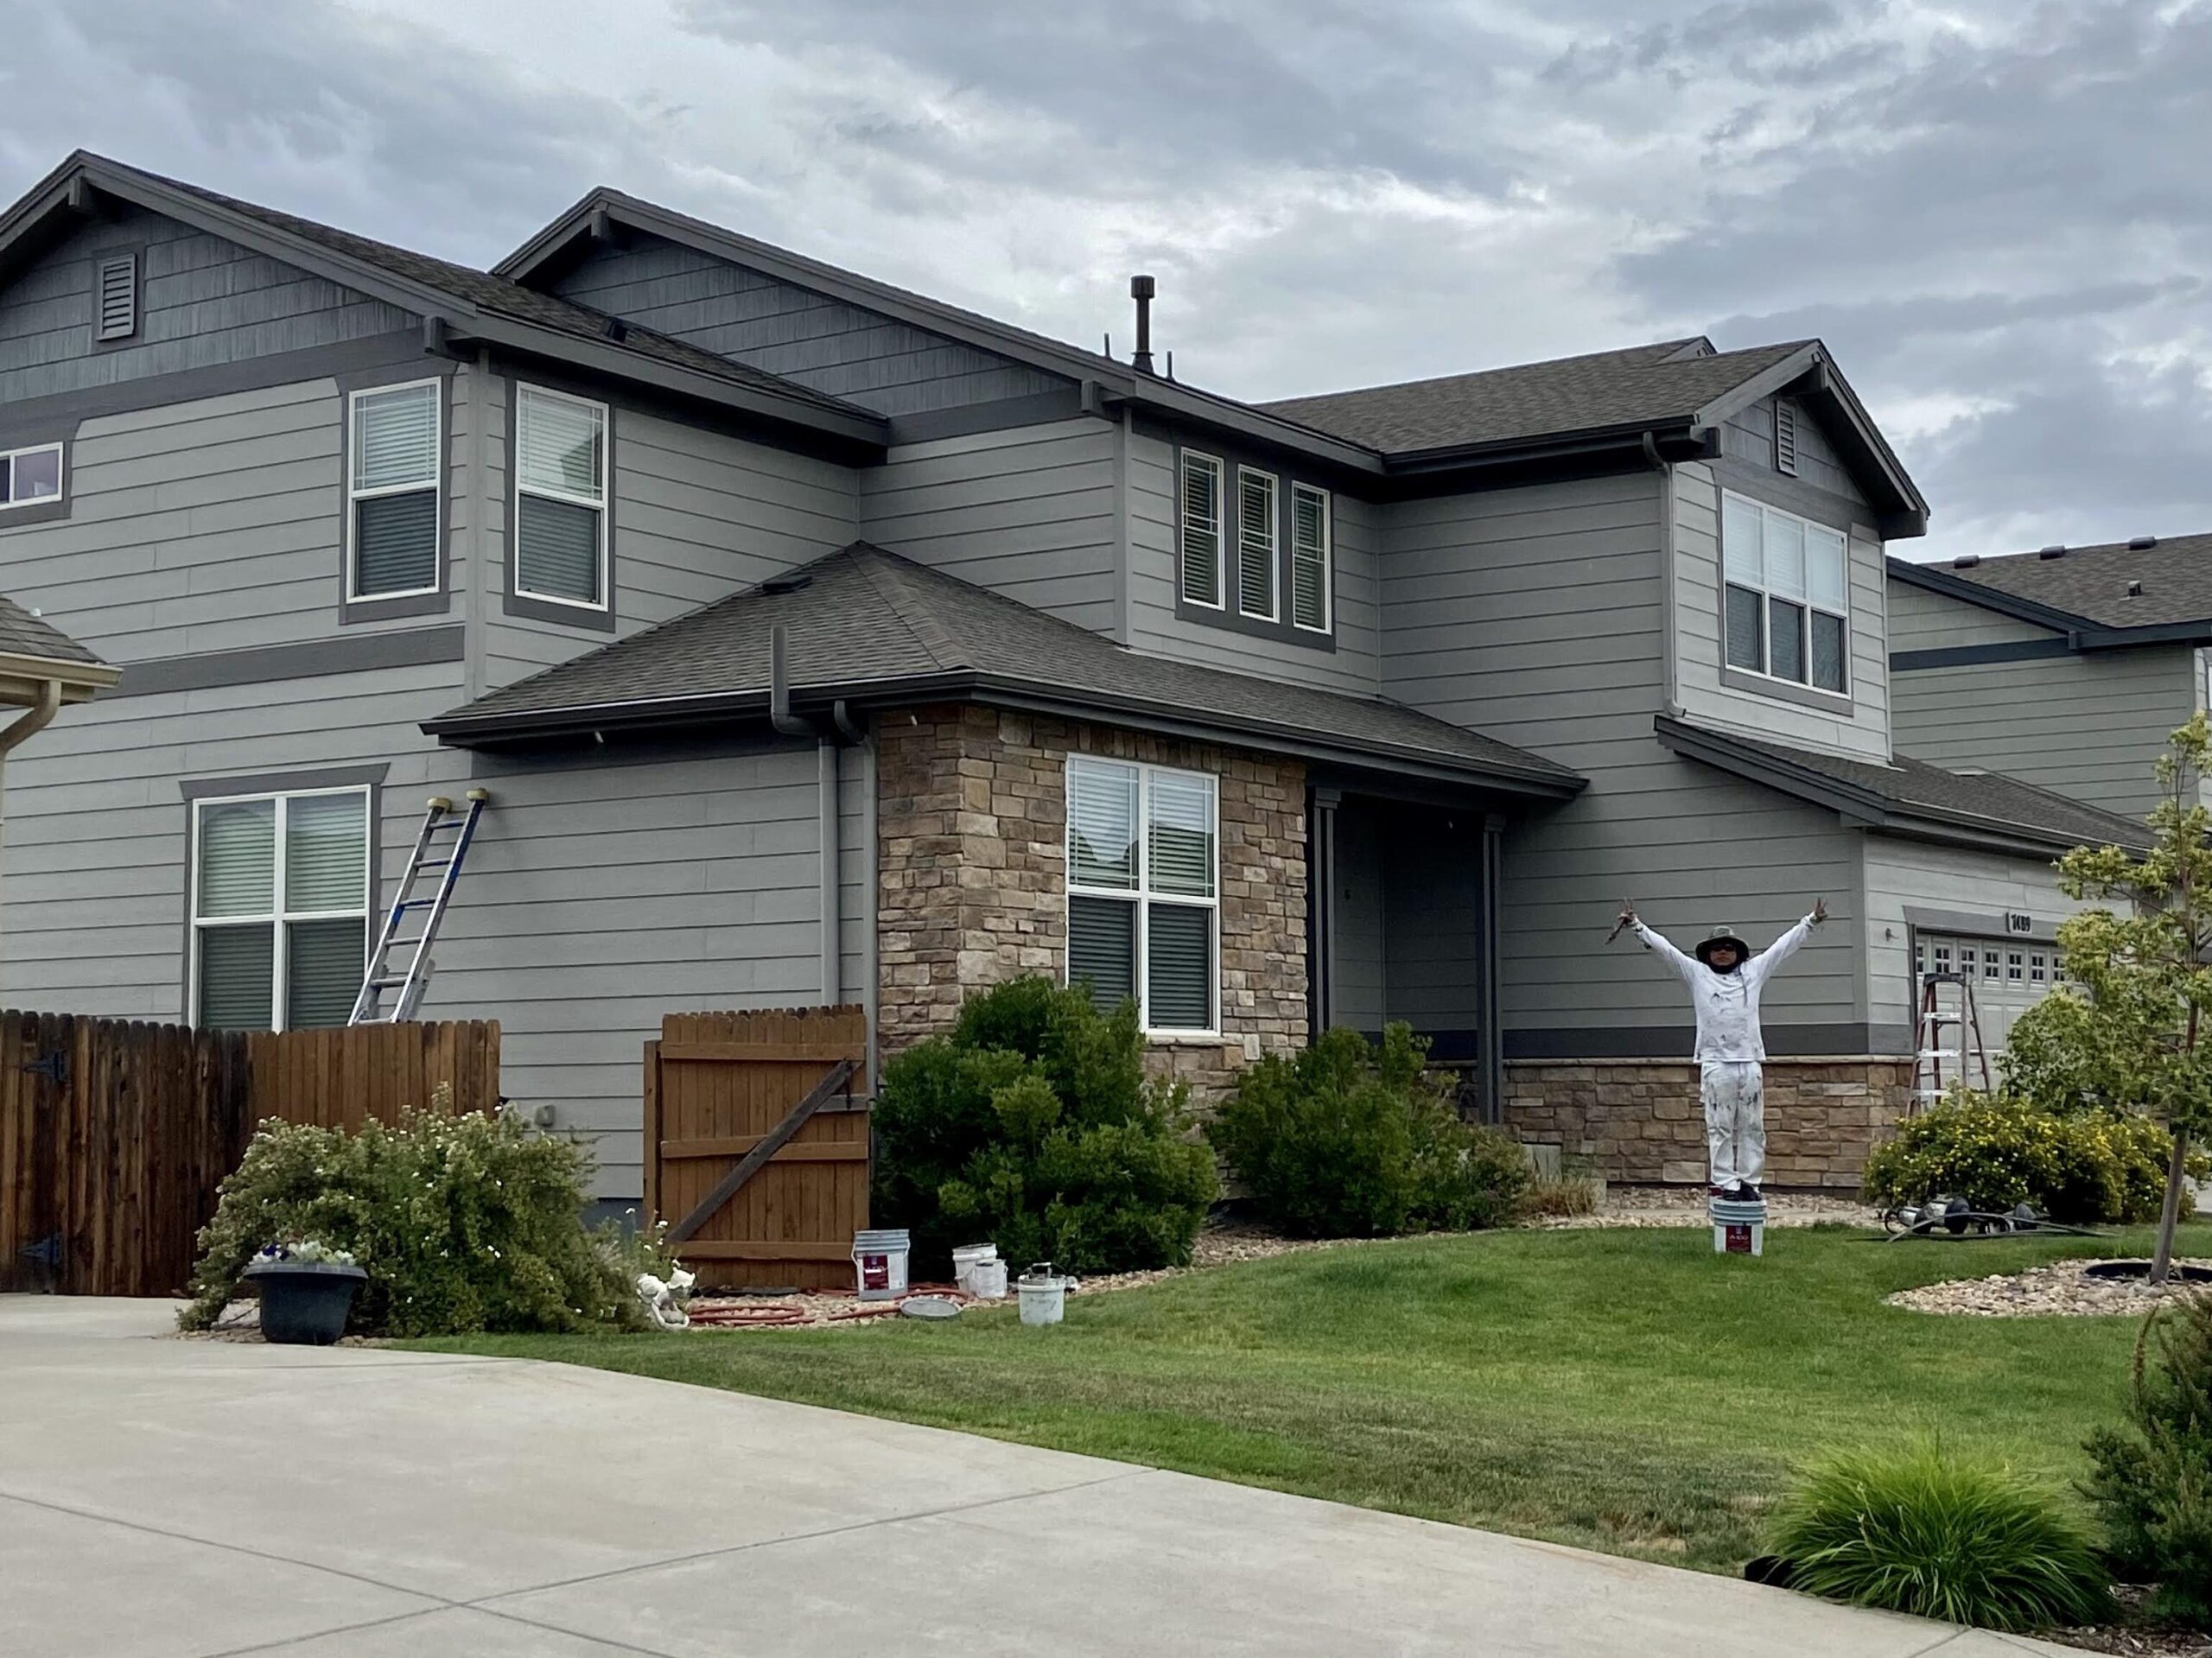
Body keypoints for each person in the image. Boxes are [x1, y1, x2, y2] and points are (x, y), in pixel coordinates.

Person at [1615, 898, 1827, 1201]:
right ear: (1709, 953)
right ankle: (1726, 1184)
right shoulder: (1697, 974)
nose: (1723, 953)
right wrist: (1637, 926)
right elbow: (1667, 951)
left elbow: (1782, 948)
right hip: (1715, 1063)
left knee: (1753, 1127)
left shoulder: (1753, 972)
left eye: (1729, 948)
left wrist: (1810, 922)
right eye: (1718, 948)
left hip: (1750, 1062)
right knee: (1720, 1127)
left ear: (1738, 952)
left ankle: (1750, 1184)